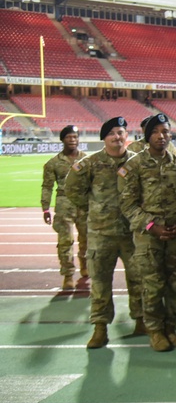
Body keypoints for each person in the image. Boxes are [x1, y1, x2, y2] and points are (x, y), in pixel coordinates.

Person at [118, 113, 176, 352]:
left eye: (165, 132)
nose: (162, 137)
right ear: (147, 135)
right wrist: (152, 225)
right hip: (148, 235)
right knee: (151, 284)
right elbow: (127, 204)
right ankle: (155, 332)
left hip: (175, 234)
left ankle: (171, 329)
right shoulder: (134, 165)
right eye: (156, 132)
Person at [65, 117, 144, 347]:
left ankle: (141, 320)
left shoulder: (137, 162)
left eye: (121, 133)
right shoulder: (90, 163)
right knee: (100, 282)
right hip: (101, 233)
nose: (117, 137)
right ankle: (100, 328)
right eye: (112, 134)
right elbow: (72, 189)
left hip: (132, 232)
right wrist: (93, 208)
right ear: (104, 138)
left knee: (138, 279)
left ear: (126, 136)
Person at [41, 124, 88, 290]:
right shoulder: (53, 163)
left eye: (75, 137)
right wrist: (45, 208)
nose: (72, 140)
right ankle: (68, 274)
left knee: (87, 239)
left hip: (84, 205)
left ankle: (85, 264)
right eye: (69, 137)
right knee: (65, 241)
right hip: (63, 205)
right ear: (63, 140)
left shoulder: (87, 160)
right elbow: (47, 186)